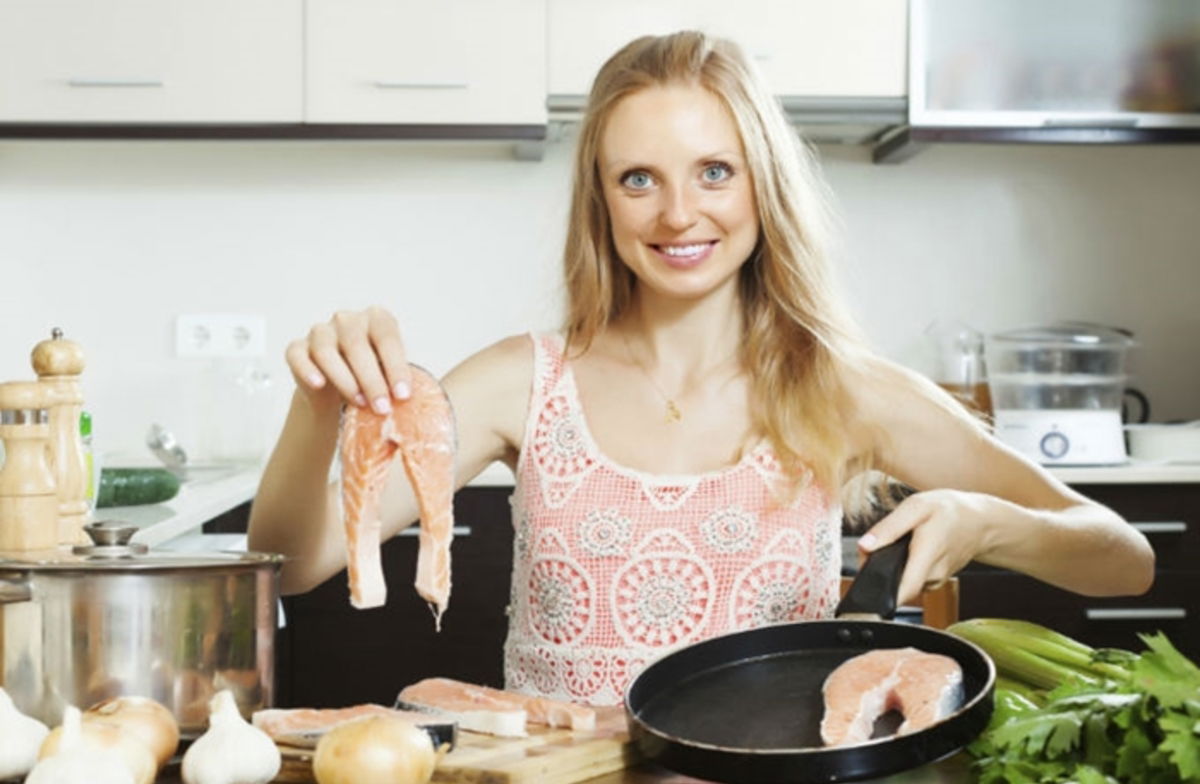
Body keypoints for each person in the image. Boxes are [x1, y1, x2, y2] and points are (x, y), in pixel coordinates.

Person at [247, 31, 1154, 706]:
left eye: (714, 171)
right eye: (638, 178)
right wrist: (317, 407)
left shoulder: (844, 388)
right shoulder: (521, 383)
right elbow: (291, 566)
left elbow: (1123, 561)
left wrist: (986, 521)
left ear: (763, 181)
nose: (679, 213)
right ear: (600, 201)